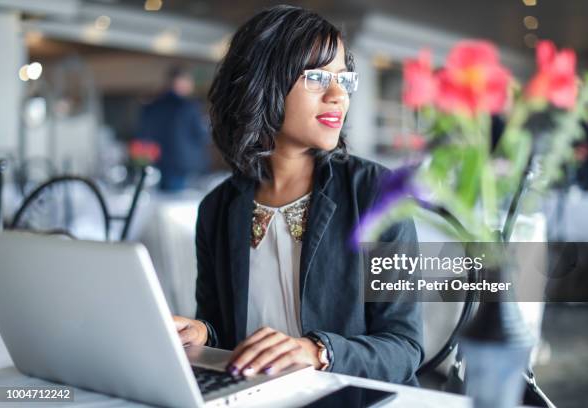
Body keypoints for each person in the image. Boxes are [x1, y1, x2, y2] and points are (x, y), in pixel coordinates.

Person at [172, 5, 423, 385]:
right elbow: (227, 329)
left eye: (344, 79)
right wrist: (203, 334)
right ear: (263, 81)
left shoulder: (376, 195)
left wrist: (318, 352)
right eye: (318, 78)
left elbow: (404, 348)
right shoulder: (218, 208)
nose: (338, 95)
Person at [137, 66, 209, 191]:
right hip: (185, 165)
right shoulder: (188, 107)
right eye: (188, 81)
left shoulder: (152, 106)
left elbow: (143, 134)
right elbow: (202, 135)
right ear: (180, 82)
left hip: (159, 162)